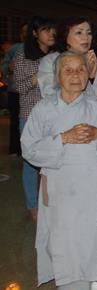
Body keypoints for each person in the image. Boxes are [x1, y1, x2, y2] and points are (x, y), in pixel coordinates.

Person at [21, 51, 97, 290]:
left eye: (81, 69)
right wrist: (63, 138)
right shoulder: (44, 108)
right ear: (57, 76)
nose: (75, 75)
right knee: (64, 233)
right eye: (68, 70)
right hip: (60, 182)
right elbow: (28, 148)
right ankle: (69, 285)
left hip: (94, 179)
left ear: (89, 74)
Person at [14, 16, 56, 220]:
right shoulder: (23, 55)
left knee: (53, 160)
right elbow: (19, 87)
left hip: (55, 115)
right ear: (34, 33)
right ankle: (33, 206)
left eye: (52, 29)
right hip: (30, 115)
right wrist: (41, 73)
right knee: (31, 164)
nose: (51, 33)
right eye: (46, 29)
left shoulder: (58, 55)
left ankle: (51, 202)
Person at [38, 17, 97, 99]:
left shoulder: (94, 62)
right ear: (65, 35)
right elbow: (49, 94)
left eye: (89, 33)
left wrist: (92, 79)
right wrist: (86, 75)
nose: (86, 37)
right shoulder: (51, 61)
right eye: (79, 32)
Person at [2, 22, 27, 156]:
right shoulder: (15, 48)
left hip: (32, 91)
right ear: (21, 35)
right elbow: (5, 65)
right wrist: (9, 68)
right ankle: (15, 148)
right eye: (24, 32)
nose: (26, 35)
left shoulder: (39, 48)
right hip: (15, 91)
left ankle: (28, 148)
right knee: (15, 121)